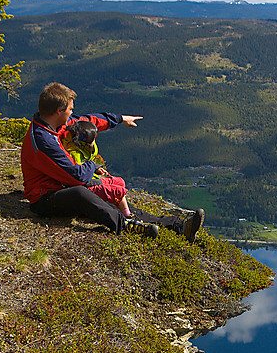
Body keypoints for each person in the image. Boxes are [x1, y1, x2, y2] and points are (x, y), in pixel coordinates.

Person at [20, 82, 204, 241]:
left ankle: (177, 227)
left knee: (112, 196)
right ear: (59, 111)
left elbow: (88, 120)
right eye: (70, 109)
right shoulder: (43, 141)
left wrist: (120, 119)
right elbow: (76, 177)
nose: (72, 112)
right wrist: (92, 162)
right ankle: (125, 225)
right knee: (80, 193)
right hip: (44, 198)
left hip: (60, 186)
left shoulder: (55, 125)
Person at [61, 120, 132, 218]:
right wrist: (95, 176)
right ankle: (127, 216)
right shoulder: (74, 153)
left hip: (92, 179)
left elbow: (88, 162)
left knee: (120, 182)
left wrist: (96, 168)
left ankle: (110, 205)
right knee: (118, 191)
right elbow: (80, 176)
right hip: (86, 186)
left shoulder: (85, 148)